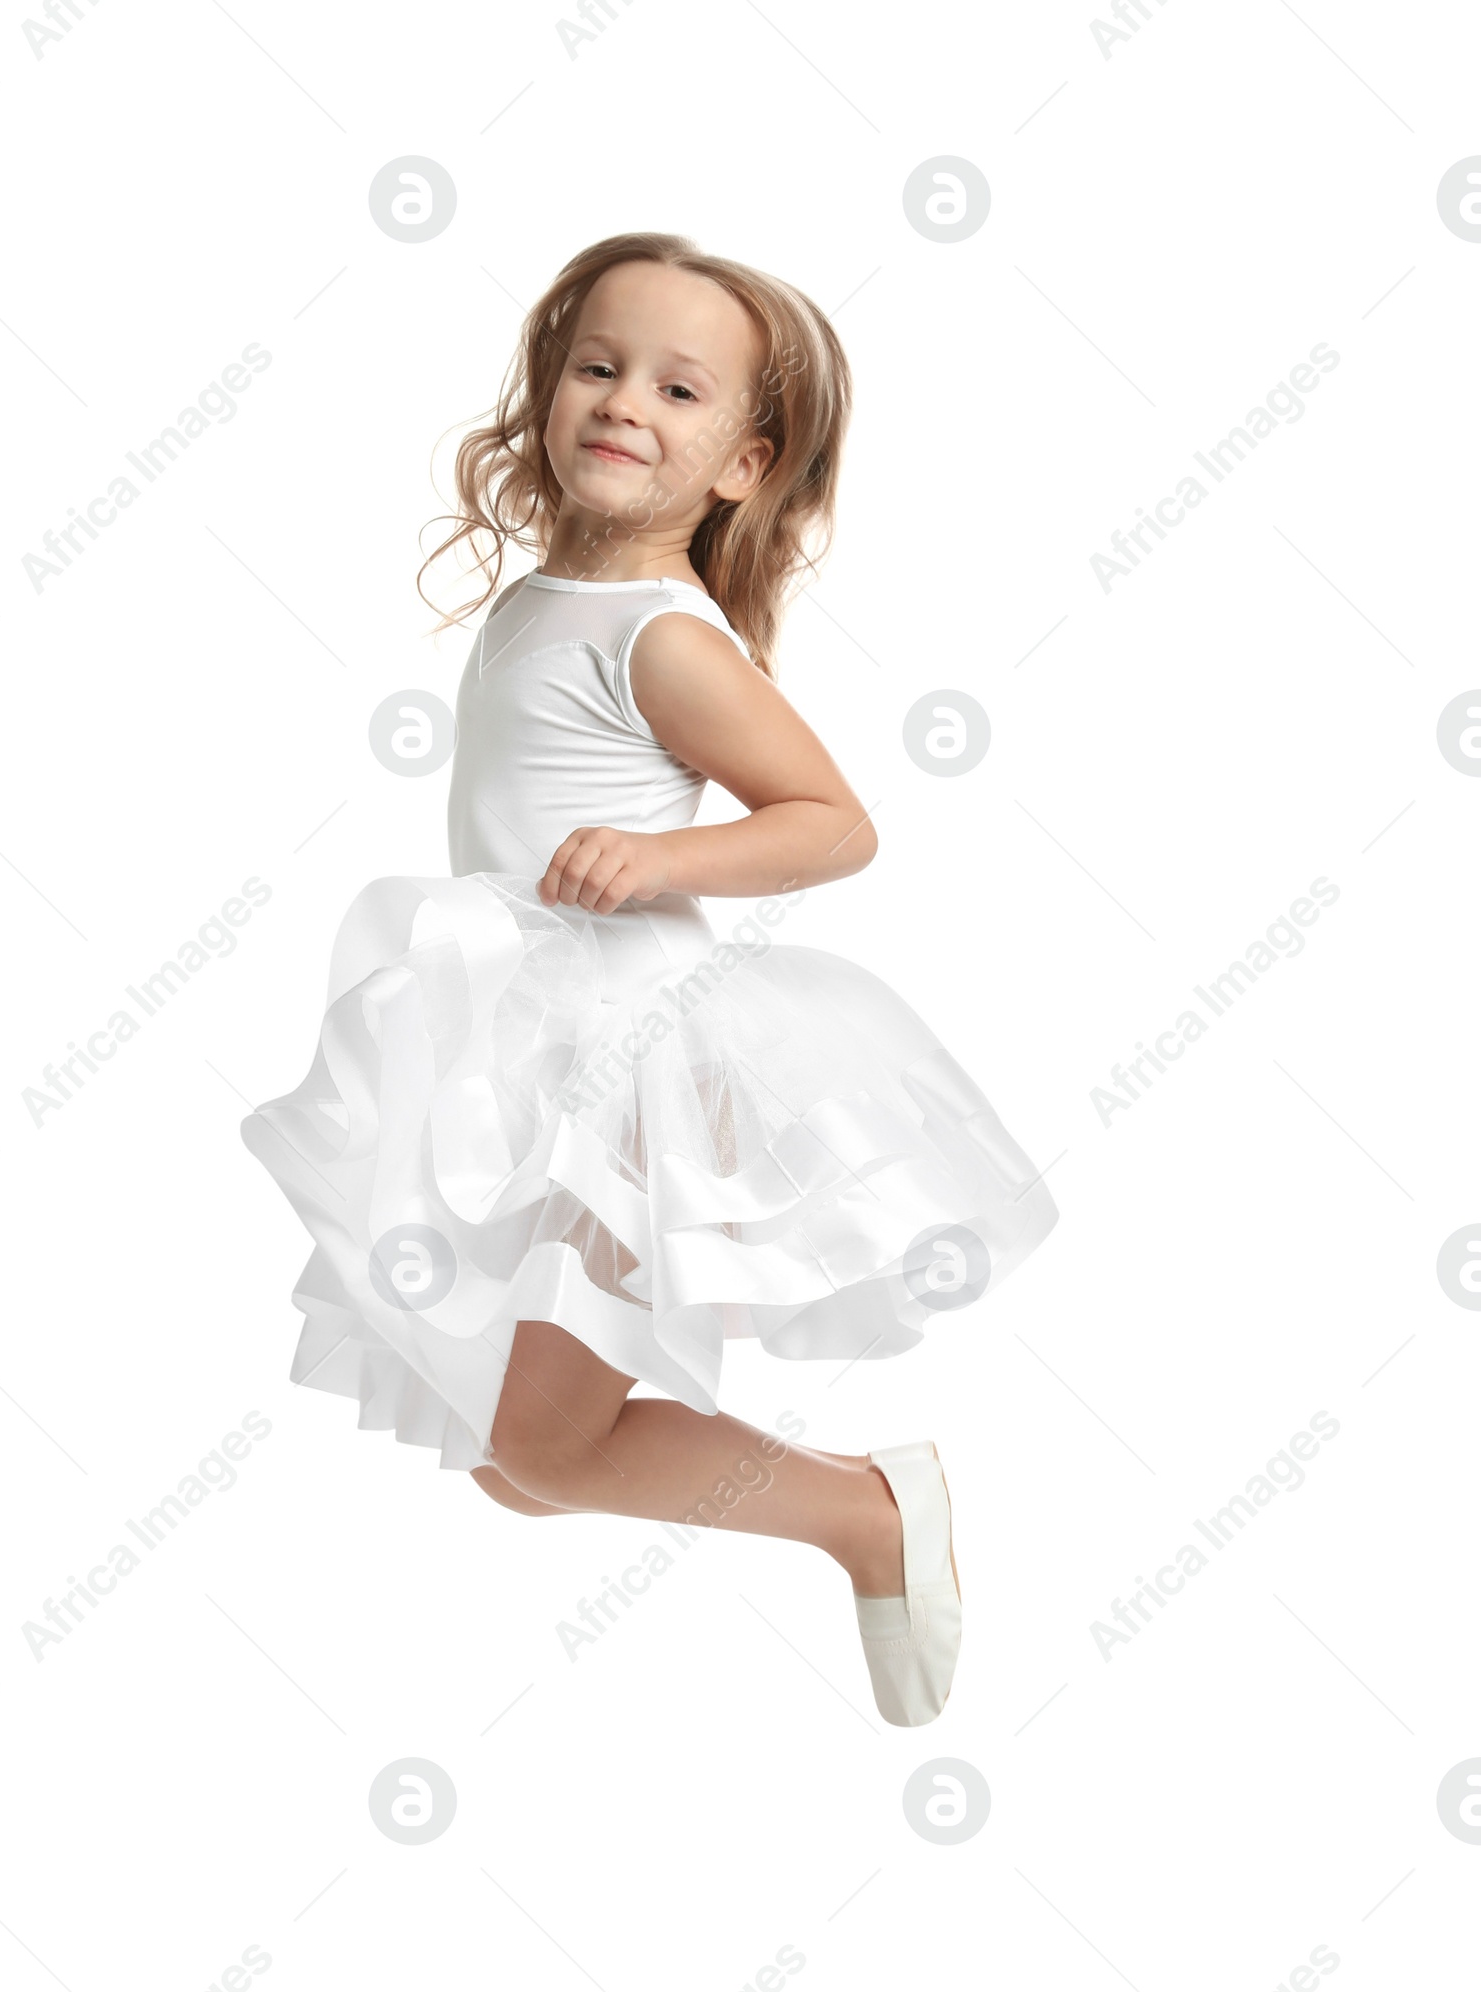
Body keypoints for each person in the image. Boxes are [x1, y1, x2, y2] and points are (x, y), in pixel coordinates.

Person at [241, 232, 1058, 1725]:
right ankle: (858, 1495)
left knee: (543, 1450)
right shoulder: (541, 598)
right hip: (525, 1042)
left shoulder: (666, 638)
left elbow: (835, 824)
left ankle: (871, 1509)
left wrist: (662, 859)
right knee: (513, 1464)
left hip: (625, 1067)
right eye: (600, 367)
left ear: (743, 463)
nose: (626, 402)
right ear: (548, 391)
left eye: (680, 391)